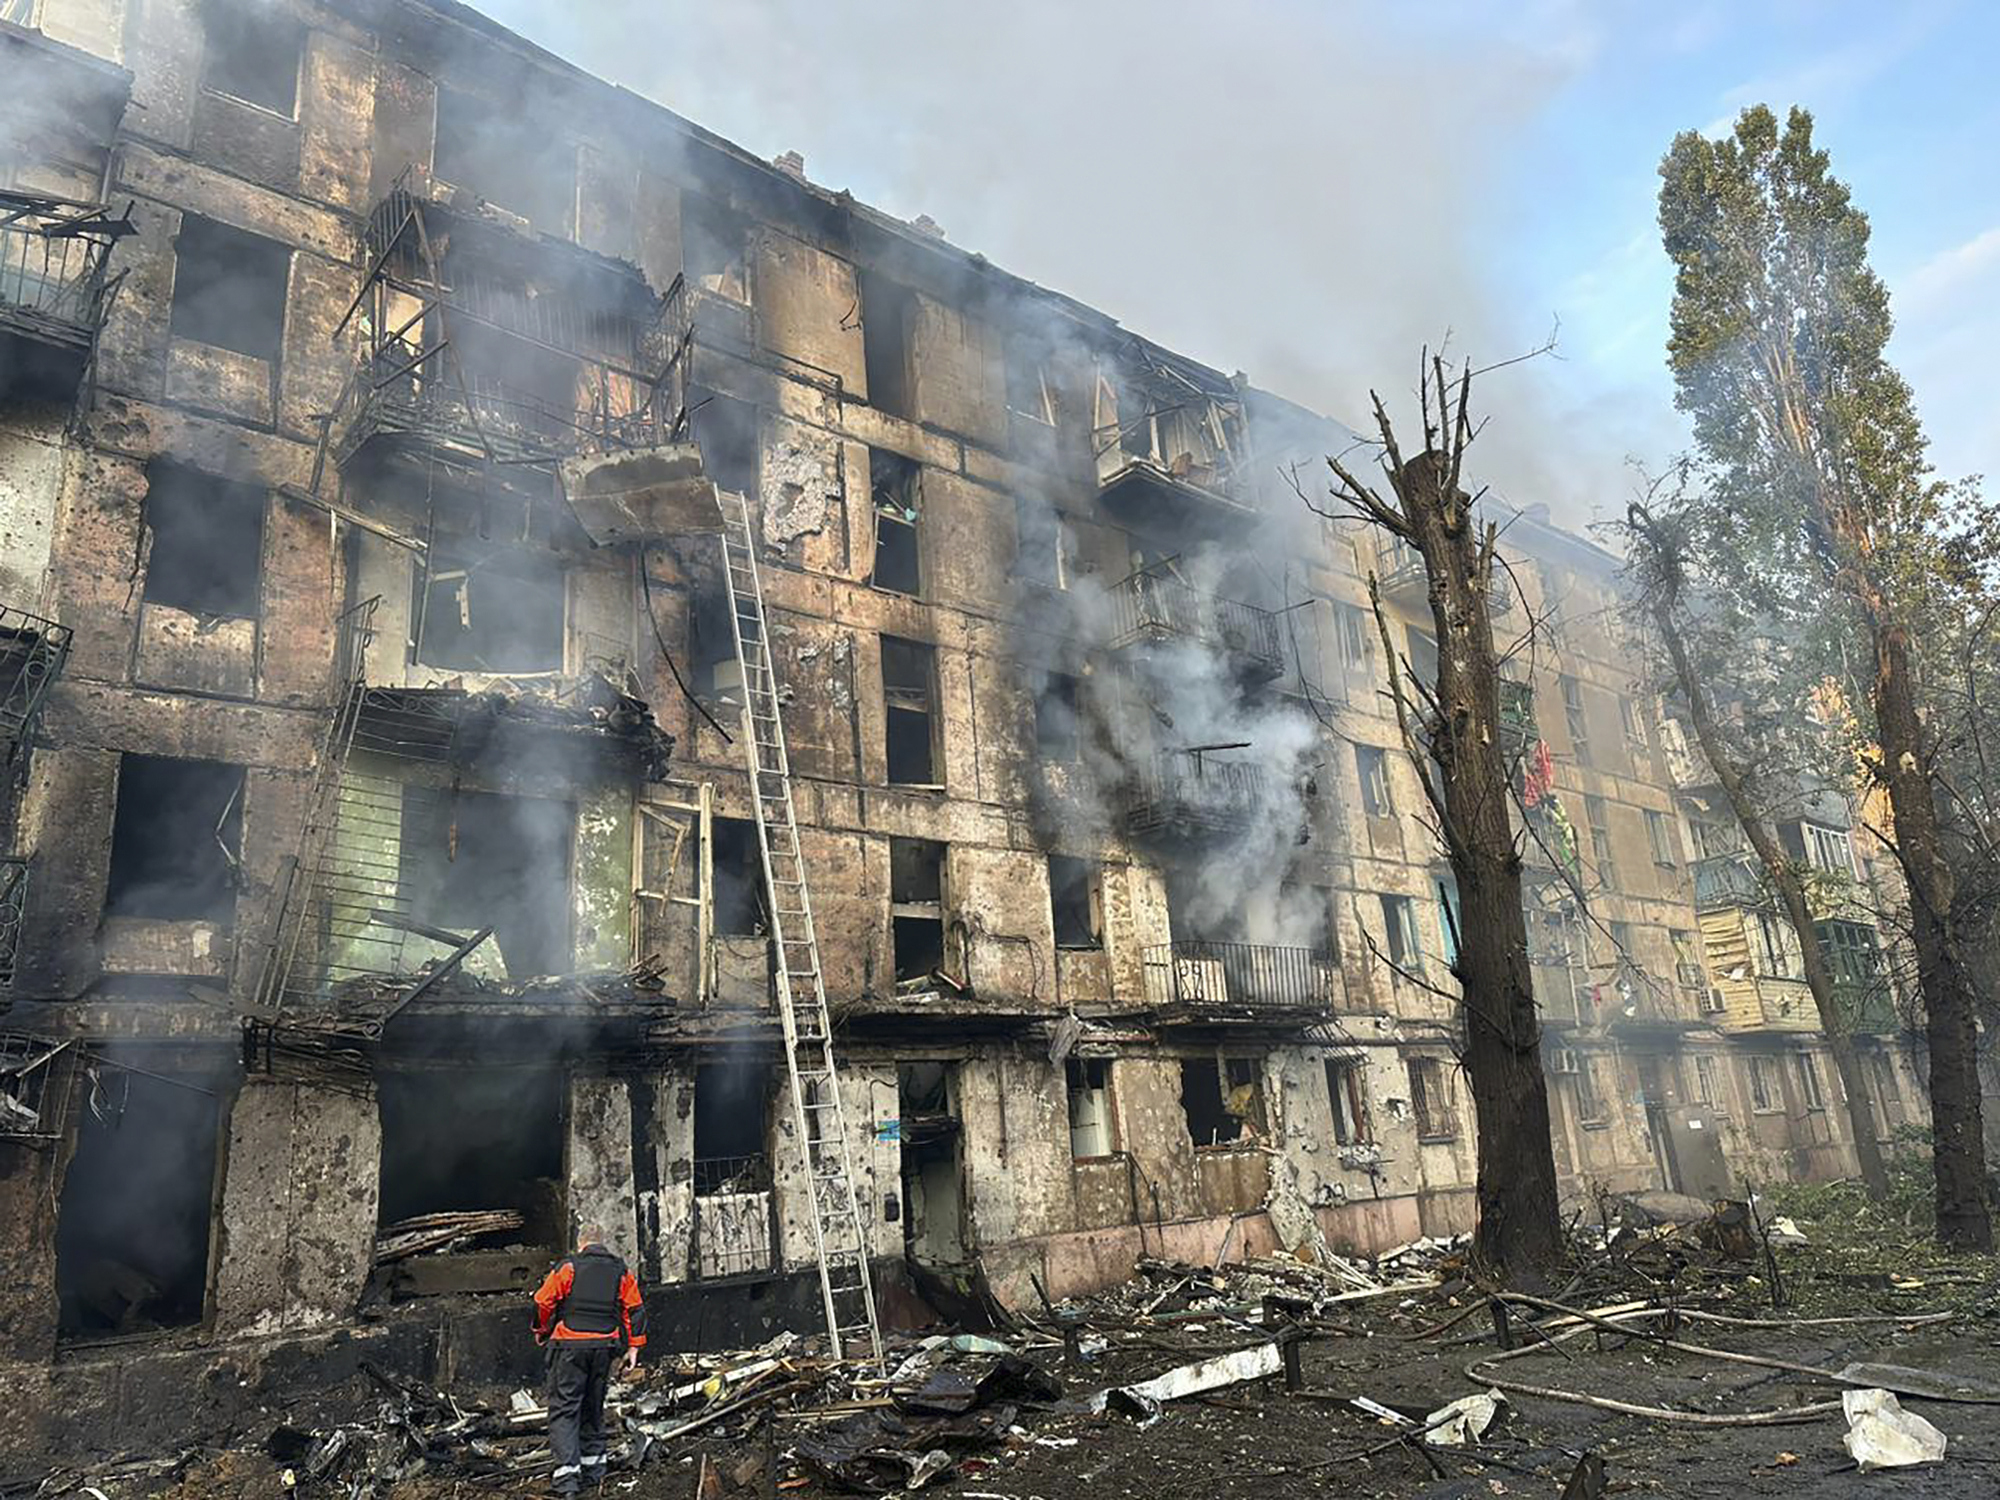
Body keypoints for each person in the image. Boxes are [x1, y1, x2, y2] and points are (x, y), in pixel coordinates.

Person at [531, 1225, 647, 1495]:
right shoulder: (621, 1271)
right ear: (603, 1244)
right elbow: (635, 1310)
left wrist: (542, 1331)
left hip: (570, 1348)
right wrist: (634, 1348)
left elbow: (543, 1302)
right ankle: (595, 1473)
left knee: (564, 1408)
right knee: (593, 1407)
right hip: (604, 1347)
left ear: (581, 1243)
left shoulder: (568, 1268)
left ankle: (567, 1481)